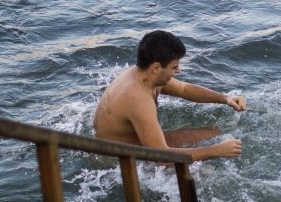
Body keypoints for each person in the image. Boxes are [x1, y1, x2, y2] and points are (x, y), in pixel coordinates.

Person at [93, 30, 246, 161]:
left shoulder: (145, 75)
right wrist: (216, 151)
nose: (178, 70)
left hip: (135, 144)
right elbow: (161, 157)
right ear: (156, 67)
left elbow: (184, 89)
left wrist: (225, 98)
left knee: (214, 133)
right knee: (203, 175)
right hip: (117, 161)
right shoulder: (138, 99)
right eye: (174, 67)